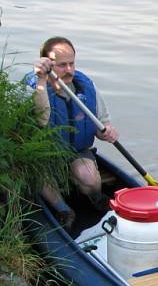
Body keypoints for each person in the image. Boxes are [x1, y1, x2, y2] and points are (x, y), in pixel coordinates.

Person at [25, 36, 119, 229]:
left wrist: (107, 132)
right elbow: (42, 119)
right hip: (41, 157)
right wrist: (41, 79)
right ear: (48, 65)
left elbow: (102, 124)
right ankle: (64, 210)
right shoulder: (34, 88)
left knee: (90, 180)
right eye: (61, 65)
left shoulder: (85, 86)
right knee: (38, 177)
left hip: (76, 150)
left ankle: (96, 200)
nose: (68, 70)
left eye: (71, 63)